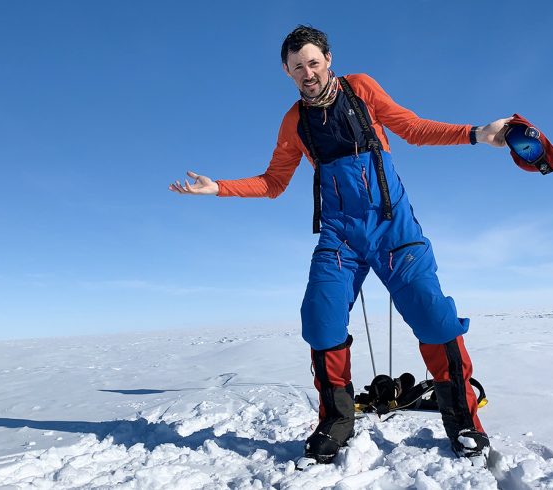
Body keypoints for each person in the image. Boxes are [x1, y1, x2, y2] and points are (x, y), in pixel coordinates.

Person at [170, 25, 510, 465]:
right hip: (339, 236)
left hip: (393, 227)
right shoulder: (295, 121)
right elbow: (274, 182)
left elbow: (411, 127)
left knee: (433, 314)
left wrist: (477, 133)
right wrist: (218, 187)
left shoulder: (361, 89)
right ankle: (336, 420)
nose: (307, 73)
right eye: (297, 68)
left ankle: (464, 422)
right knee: (320, 317)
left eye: (313, 63)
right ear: (286, 72)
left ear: (328, 59)